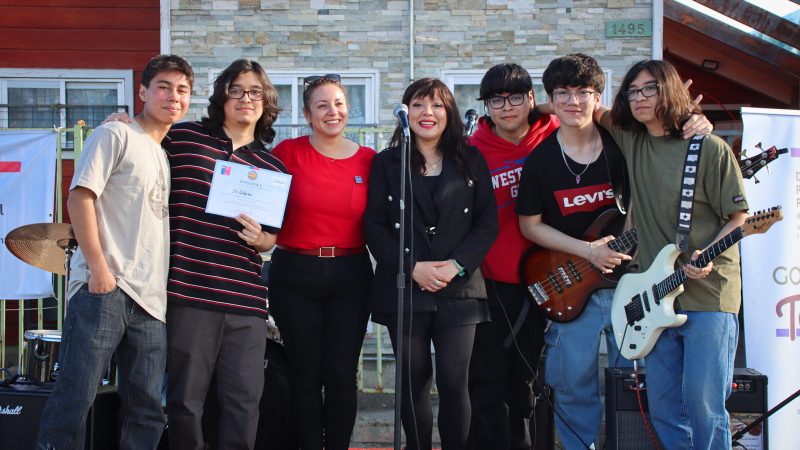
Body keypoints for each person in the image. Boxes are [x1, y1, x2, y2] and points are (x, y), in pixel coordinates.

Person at [36, 54, 194, 449]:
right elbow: (80, 198)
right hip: (105, 288)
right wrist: (98, 268)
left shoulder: (164, 152)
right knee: (76, 397)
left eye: (182, 90)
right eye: (163, 87)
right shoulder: (114, 135)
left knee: (146, 410)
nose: (173, 97)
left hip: (152, 302)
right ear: (142, 92)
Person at [596, 59, 748, 450]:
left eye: (650, 89)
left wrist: (708, 257)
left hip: (709, 295)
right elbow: (579, 106)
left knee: (704, 406)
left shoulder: (709, 148)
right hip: (655, 293)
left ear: (670, 91)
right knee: (663, 407)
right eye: (632, 91)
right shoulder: (631, 138)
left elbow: (740, 218)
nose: (640, 98)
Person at [364, 77, 499, 450]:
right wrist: (412, 267)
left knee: (455, 381)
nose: (428, 113)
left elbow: (487, 222)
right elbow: (374, 225)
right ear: (405, 113)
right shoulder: (387, 162)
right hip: (405, 285)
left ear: (449, 112)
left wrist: (457, 264)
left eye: (437, 105)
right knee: (412, 381)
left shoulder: (471, 159)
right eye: (419, 105)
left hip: (460, 287)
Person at [161, 59, 288, 450]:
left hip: (246, 301)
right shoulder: (182, 139)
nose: (245, 99)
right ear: (223, 97)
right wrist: (123, 121)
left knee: (245, 402)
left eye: (254, 92)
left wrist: (262, 241)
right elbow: (140, 149)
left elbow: (271, 239)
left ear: (265, 102)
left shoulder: (271, 166)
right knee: (185, 401)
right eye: (236, 90)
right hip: (189, 292)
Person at [516, 53, 634, 450]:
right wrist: (588, 251)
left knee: (633, 390)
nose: (573, 102)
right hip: (568, 288)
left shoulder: (623, 146)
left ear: (597, 97)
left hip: (631, 286)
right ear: (550, 98)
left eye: (583, 92)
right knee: (572, 392)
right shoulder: (540, 161)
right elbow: (529, 226)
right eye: (562, 93)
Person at [268, 73, 375, 450]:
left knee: (342, 375)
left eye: (339, 104)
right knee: (305, 375)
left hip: (351, 274)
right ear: (307, 114)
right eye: (322, 105)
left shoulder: (370, 160)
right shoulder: (286, 153)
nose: (333, 112)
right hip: (295, 274)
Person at [465, 63, 557, 450]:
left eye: (515, 97)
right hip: (491, 282)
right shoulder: (471, 150)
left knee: (532, 382)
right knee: (486, 381)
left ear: (532, 98)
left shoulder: (556, 135)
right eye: (496, 100)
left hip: (554, 280)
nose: (506, 107)